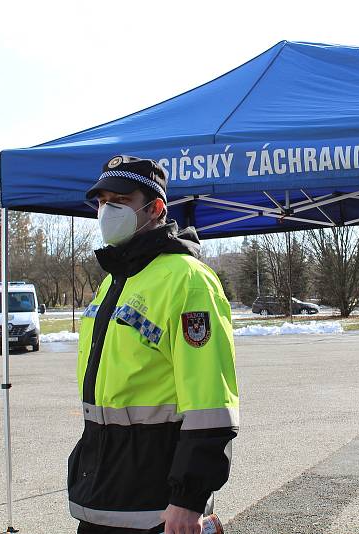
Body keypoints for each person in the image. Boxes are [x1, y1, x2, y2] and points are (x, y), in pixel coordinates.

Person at [68, 155, 239, 534]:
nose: (106, 210)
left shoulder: (188, 280)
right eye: (101, 201)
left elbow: (211, 403)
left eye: (120, 200)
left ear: (156, 208)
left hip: (157, 507)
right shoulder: (115, 278)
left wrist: (188, 498)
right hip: (102, 496)